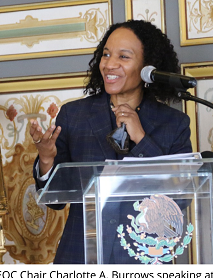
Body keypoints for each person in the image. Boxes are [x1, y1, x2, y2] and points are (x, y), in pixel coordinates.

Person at [30, 20, 192, 264]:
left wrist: (142, 138)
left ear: (148, 67)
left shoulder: (174, 123)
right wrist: (46, 159)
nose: (109, 64)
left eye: (123, 57)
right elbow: (55, 201)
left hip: (143, 261)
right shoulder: (74, 116)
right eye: (106, 54)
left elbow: (178, 200)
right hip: (80, 260)